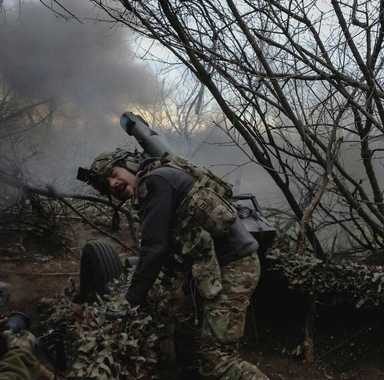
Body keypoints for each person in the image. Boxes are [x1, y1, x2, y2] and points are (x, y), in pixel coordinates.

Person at [79, 150, 269, 380]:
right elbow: (167, 246)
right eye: (108, 184)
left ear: (129, 164)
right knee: (187, 329)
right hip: (209, 266)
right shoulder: (160, 177)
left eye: (113, 173)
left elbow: (154, 248)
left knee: (218, 360)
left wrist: (129, 301)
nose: (114, 183)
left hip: (233, 267)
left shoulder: (155, 181)